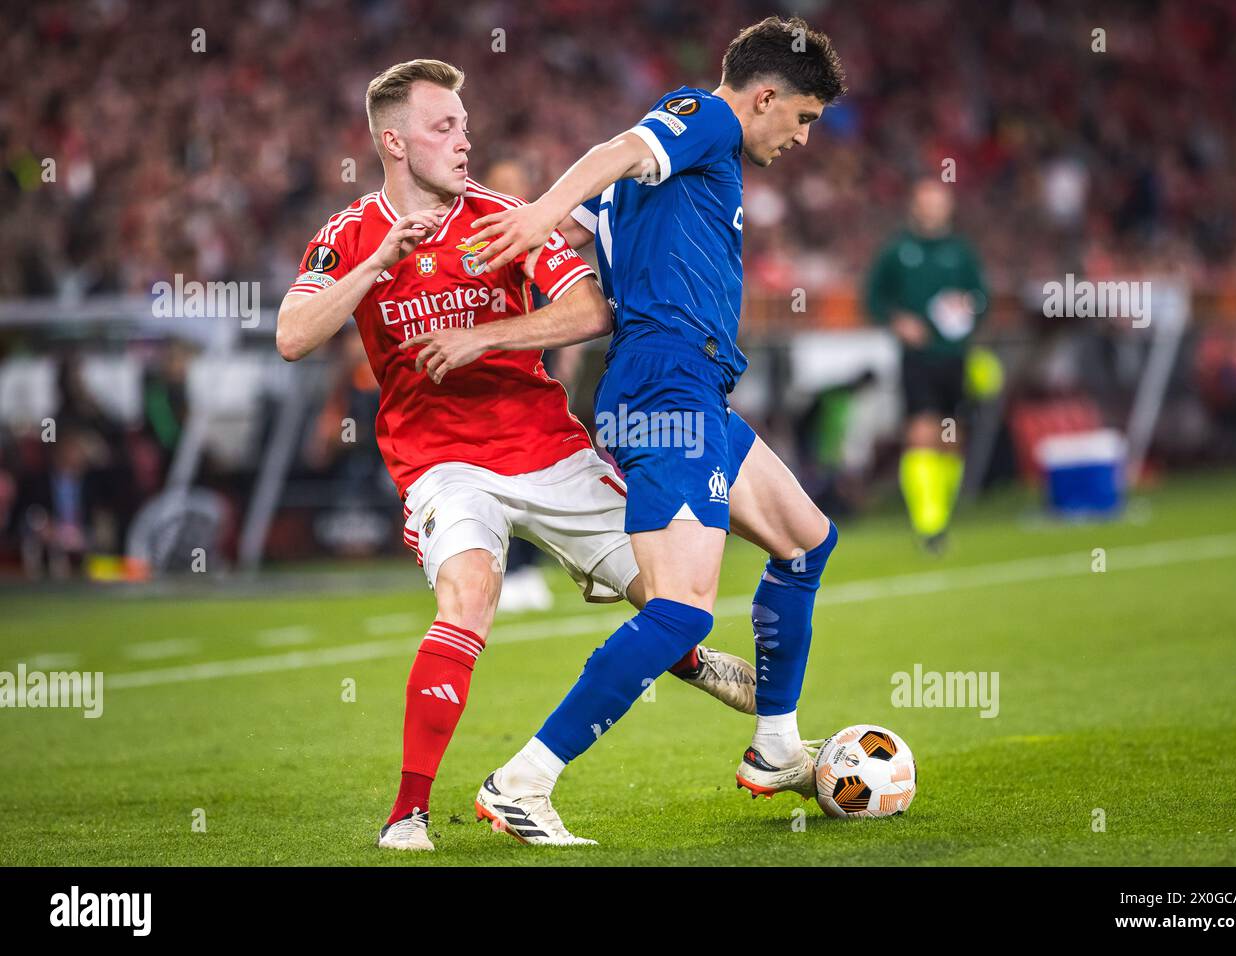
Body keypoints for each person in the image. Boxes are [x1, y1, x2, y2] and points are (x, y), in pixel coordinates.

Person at [275, 59, 755, 852]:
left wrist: (483, 336)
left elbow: (592, 307)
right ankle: (409, 812)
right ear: (393, 141)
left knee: (673, 599)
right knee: (468, 597)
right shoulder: (349, 236)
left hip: (548, 450)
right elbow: (293, 337)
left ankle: (695, 660)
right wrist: (377, 265)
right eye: (444, 127)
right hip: (443, 464)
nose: (465, 141)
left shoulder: (501, 216)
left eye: (465, 125)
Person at [412, 16, 847, 845]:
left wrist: (507, 275)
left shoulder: (662, 178)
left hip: (692, 388)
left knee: (805, 541)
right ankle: (523, 783)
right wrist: (539, 213)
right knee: (682, 613)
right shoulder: (707, 117)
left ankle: (777, 745)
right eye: (802, 118)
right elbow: (615, 148)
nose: (800, 137)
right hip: (668, 385)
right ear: (765, 96)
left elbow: (598, 220)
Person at [865, 177, 988, 550]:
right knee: (921, 433)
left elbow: (982, 297)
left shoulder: (961, 252)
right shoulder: (898, 250)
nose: (932, 209)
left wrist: (970, 307)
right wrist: (898, 320)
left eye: (939, 202)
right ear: (915, 206)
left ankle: (943, 514)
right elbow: (873, 298)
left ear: (948, 208)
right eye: (926, 202)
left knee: (951, 439)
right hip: (917, 359)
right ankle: (928, 524)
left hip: (955, 357)